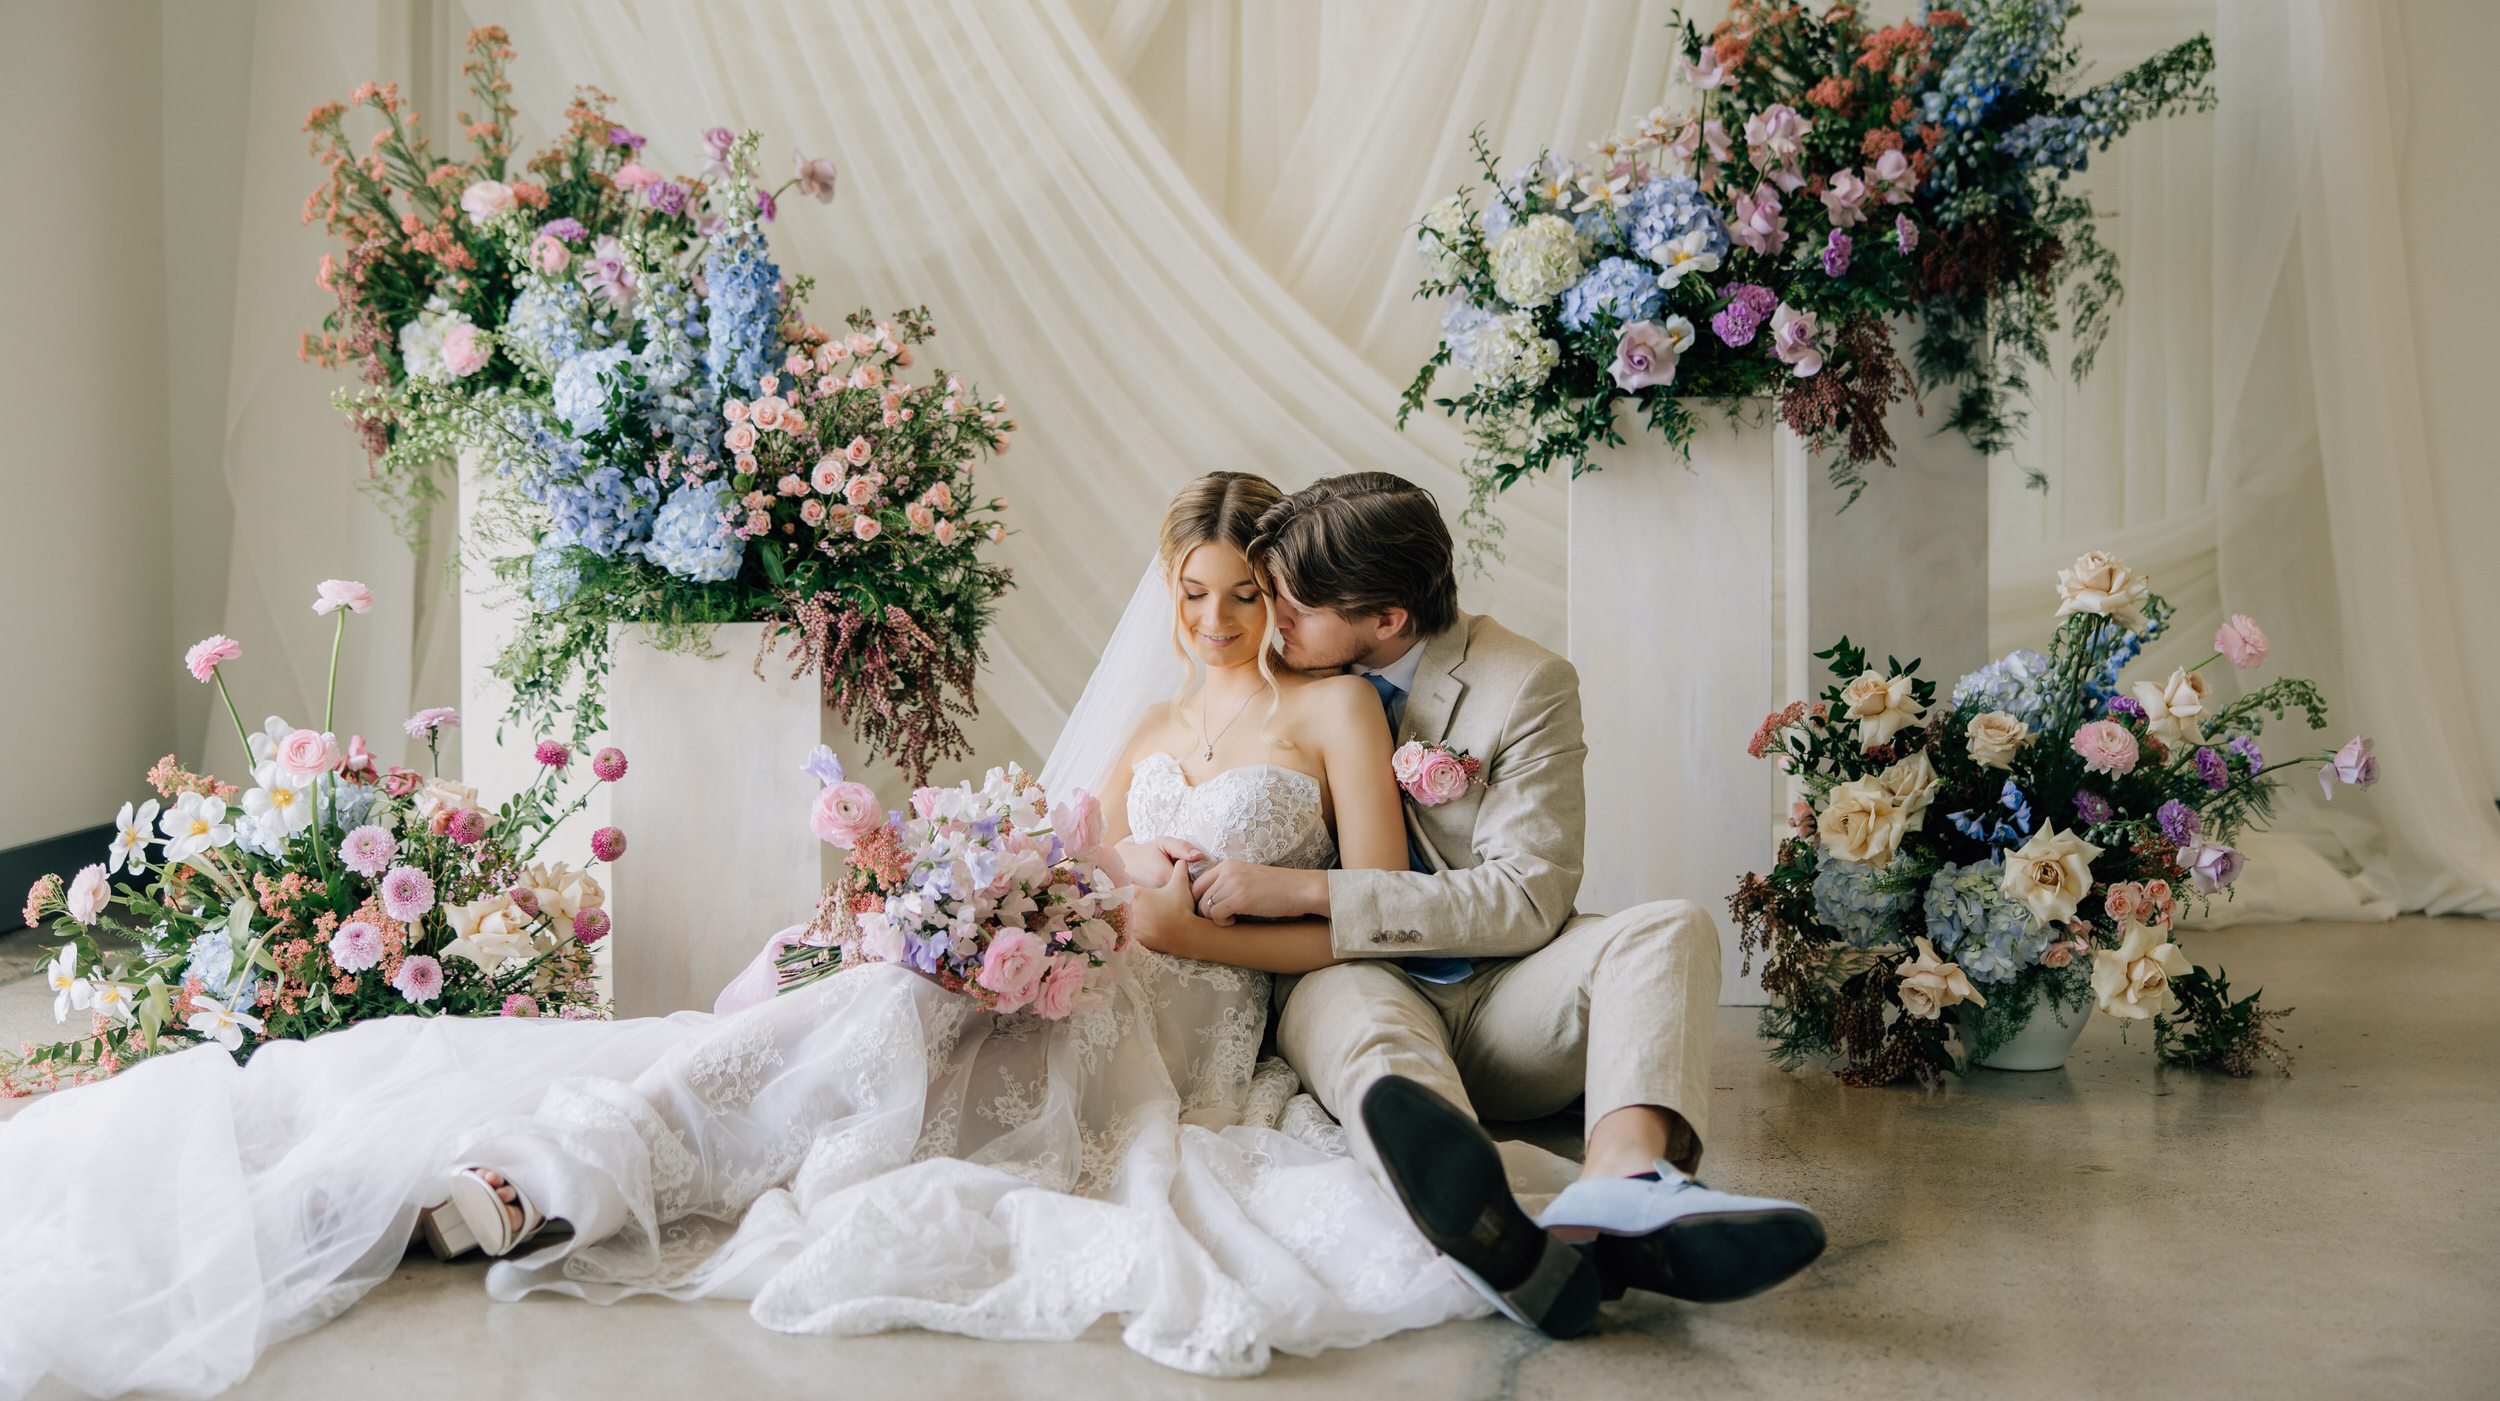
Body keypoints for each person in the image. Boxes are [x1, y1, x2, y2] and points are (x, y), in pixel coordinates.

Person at [0, 473, 1483, 1395]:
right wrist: (994, 900)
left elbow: (1362, 920)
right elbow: (1069, 850)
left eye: (1243, 597)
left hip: (1188, 1024)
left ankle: (584, 1163)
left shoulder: (1334, 708)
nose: (1217, 620)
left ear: (1287, 599)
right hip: (1071, 951)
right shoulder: (1158, 716)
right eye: (1194, 594)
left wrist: (1189, 927)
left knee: (903, 1036)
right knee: (881, 1001)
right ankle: (558, 1166)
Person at [1139, 472, 1826, 1338]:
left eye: (1290, 605)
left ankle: (1625, 1180)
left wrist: (1309, 887)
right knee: (1364, 1025)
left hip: (1507, 989)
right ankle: (1489, 1219)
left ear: (1386, 619)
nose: (1267, 618)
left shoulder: (1526, 682)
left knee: (1671, 926)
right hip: (1346, 974)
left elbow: (1529, 896)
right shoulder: (1268, 681)